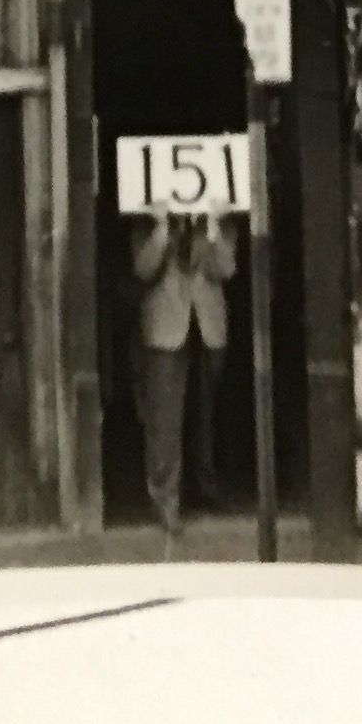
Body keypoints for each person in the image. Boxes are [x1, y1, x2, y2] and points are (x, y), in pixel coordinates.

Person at [130, 207, 236, 533]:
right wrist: (162, 229)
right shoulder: (144, 218)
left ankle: (205, 487)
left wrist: (214, 228)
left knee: (206, 414)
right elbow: (143, 269)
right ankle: (165, 500)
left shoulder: (221, 216)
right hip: (165, 329)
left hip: (207, 328)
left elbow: (227, 269)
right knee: (165, 418)